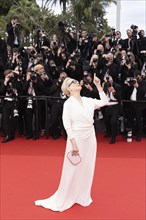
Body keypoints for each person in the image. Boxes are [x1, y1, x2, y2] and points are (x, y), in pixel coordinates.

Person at [35, 74, 108, 211]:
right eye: (73, 82)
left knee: (87, 166)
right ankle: (66, 195)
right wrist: (73, 143)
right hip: (77, 138)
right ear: (68, 89)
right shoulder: (68, 104)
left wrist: (98, 86)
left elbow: (104, 101)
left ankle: (81, 195)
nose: (76, 82)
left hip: (90, 137)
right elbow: (67, 124)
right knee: (72, 167)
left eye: (76, 81)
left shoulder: (87, 100)